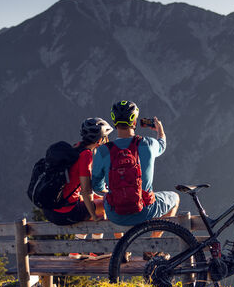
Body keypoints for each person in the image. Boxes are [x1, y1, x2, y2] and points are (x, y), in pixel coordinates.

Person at [91, 100, 179, 236]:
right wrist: (160, 129)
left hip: (115, 214)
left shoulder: (102, 151)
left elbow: (96, 186)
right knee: (175, 197)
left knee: (109, 198)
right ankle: (152, 248)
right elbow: (162, 144)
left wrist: (115, 190)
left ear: (114, 121)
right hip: (144, 211)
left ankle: (122, 249)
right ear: (134, 121)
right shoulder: (148, 144)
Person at [44, 118, 113, 226]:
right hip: (64, 213)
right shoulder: (86, 155)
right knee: (105, 205)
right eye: (105, 138)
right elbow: (86, 191)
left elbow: (75, 185)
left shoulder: (75, 147)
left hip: (50, 209)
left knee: (97, 200)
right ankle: (97, 242)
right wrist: (94, 215)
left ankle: (82, 240)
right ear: (99, 140)